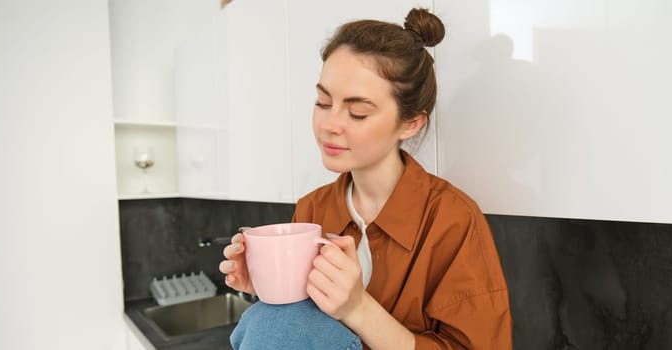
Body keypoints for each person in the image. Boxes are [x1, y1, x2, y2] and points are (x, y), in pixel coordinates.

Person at [219, 8, 513, 349]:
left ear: (410, 123)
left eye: (357, 112)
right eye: (323, 102)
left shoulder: (452, 219)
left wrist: (358, 308)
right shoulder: (312, 208)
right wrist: (268, 286)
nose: (330, 124)